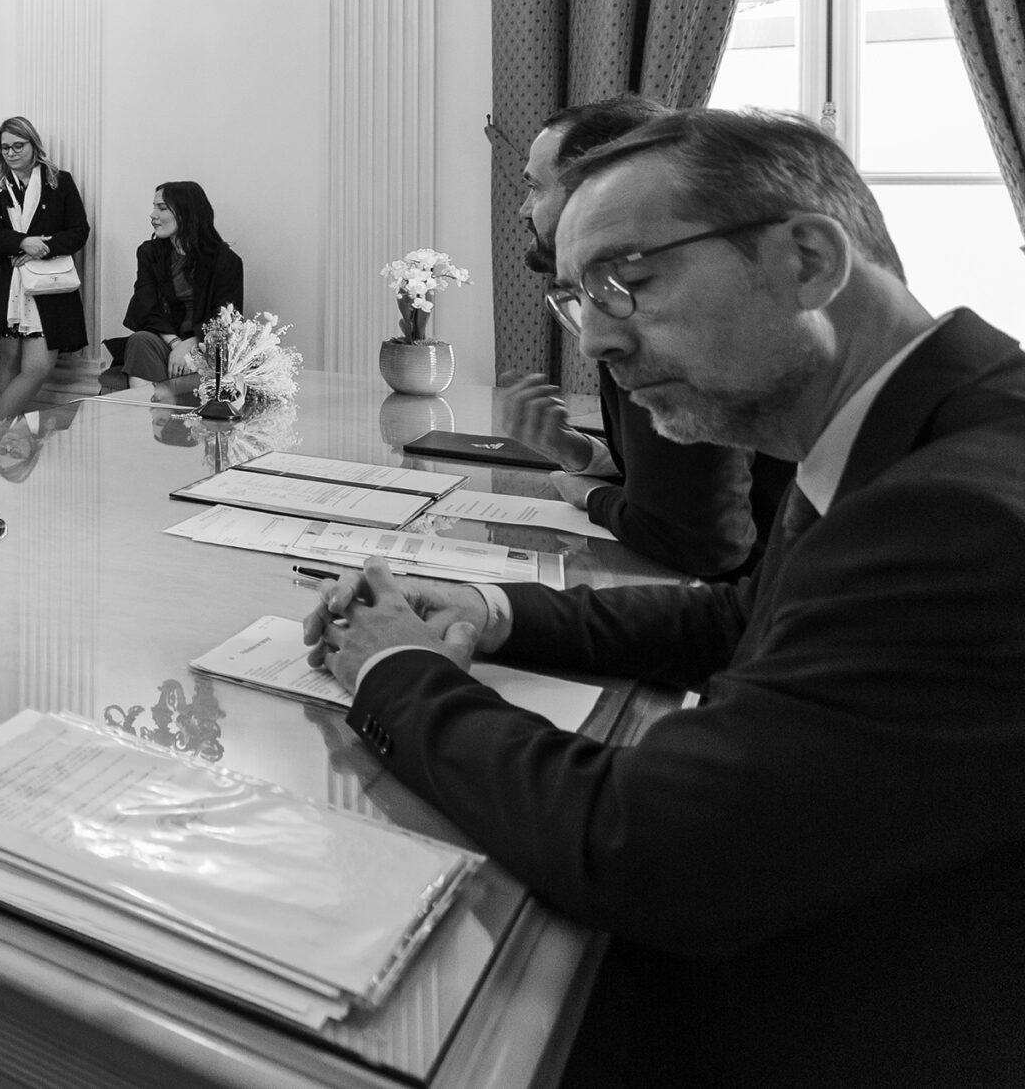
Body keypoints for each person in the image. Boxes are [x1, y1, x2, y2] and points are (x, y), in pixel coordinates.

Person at [302, 108, 1025, 1089]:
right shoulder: (911, 422)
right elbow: (739, 620)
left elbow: (641, 850)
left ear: (807, 259)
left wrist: (401, 673)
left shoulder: (957, 515)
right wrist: (487, 608)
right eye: (576, 297)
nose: (594, 337)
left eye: (626, 282)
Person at [496, 96, 788, 580]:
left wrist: (591, 495)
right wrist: (581, 454)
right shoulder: (629, 296)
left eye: (534, 187)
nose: (524, 208)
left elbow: (705, 542)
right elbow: (682, 483)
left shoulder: (665, 317)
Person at [0, 117, 90, 420]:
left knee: (37, 368)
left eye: (18, 145)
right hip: (3, 286)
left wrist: (41, 249)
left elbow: (78, 231)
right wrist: (22, 243)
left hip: (47, 286)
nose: (11, 153)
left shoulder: (59, 182)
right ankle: (11, 448)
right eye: (5, 147)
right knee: (10, 361)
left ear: (34, 145)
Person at [109, 181, 246, 402]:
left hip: (205, 347)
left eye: (162, 208)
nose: (153, 215)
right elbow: (145, 306)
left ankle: (169, 418)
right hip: (165, 341)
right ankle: (146, 417)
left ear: (186, 213)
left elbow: (226, 321)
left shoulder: (225, 261)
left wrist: (190, 344)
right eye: (154, 207)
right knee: (140, 340)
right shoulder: (149, 253)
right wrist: (175, 344)